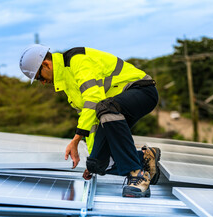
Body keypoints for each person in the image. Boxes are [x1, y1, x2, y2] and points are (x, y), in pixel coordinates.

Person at [19, 44, 161, 198]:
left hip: (141, 91)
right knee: (97, 165)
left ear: (46, 64)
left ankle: (138, 175)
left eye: (40, 77)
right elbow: (93, 121)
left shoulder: (77, 61)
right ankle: (145, 157)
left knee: (105, 107)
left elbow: (94, 100)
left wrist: (76, 140)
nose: (43, 83)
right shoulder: (68, 84)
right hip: (113, 109)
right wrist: (94, 159)